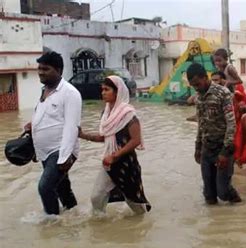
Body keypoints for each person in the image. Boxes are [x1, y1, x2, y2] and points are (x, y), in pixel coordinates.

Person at [78, 76, 151, 214]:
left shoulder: (128, 114)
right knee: (96, 197)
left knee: (133, 201)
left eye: (107, 89)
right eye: (102, 90)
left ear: (117, 92)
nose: (103, 93)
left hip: (126, 163)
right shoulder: (106, 114)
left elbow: (136, 140)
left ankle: (142, 227)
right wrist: (82, 135)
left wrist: (115, 155)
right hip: (109, 162)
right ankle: (100, 225)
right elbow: (103, 137)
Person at [24, 51, 81, 215]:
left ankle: (52, 223)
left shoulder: (70, 93)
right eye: (39, 68)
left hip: (61, 150)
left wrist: (64, 157)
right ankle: (74, 214)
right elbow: (43, 116)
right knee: (62, 188)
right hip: (45, 151)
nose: (41, 72)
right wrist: (32, 127)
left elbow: (72, 127)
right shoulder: (44, 91)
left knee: (45, 187)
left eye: (46, 69)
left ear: (59, 70)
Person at [187, 63, 242, 205]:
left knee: (223, 192)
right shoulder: (198, 98)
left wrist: (225, 152)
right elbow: (201, 124)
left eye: (198, 84)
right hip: (206, 148)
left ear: (205, 77)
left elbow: (231, 124)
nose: (196, 88)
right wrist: (197, 148)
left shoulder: (223, 93)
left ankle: (238, 204)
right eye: (193, 86)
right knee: (209, 195)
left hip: (223, 147)